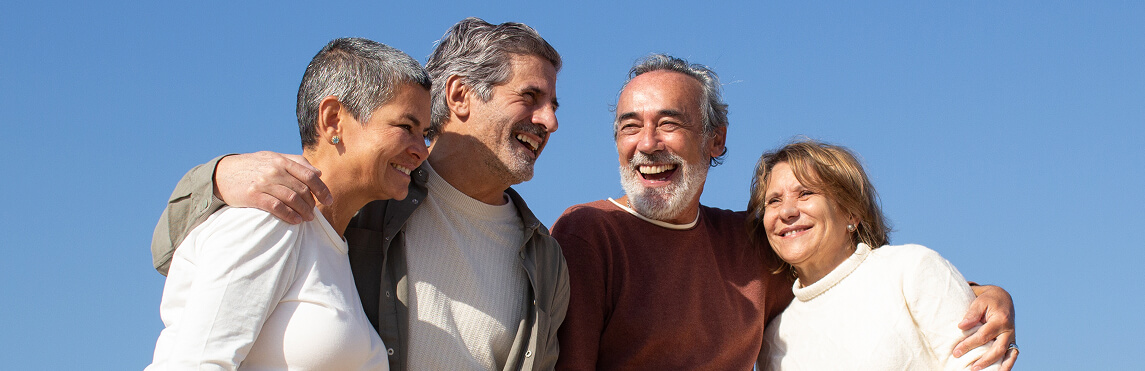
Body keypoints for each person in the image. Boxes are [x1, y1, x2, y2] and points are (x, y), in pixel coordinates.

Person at [550, 54, 1018, 370]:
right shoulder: (589, 232)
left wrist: (982, 293)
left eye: (669, 123)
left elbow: (840, 278)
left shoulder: (747, 243)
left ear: (716, 140)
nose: (647, 144)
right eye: (630, 127)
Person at [150, 18, 568, 371]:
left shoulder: (545, 261)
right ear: (459, 95)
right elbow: (175, 257)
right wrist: (219, 175)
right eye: (530, 97)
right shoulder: (362, 195)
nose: (549, 120)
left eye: (553, 104)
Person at [146, 38, 430, 370]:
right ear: (333, 119)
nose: (421, 151)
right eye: (406, 127)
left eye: (423, 133)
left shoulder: (335, 250)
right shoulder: (269, 219)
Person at [750, 140, 1003, 370]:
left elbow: (981, 365)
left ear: (851, 212)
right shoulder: (773, 338)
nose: (787, 211)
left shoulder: (912, 269)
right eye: (773, 201)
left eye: (805, 193)